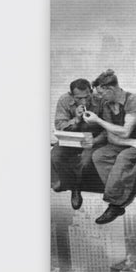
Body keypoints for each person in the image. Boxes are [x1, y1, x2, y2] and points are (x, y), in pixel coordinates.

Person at [82, 70, 136, 225]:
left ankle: (115, 204)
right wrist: (130, 143)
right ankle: (129, 191)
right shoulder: (107, 105)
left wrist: (98, 120)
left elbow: (125, 131)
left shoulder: (134, 100)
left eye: (100, 93)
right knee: (99, 155)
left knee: (124, 158)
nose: (98, 97)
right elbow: (111, 136)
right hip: (129, 143)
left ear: (110, 89)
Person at [51, 78, 97, 211]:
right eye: (79, 98)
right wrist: (76, 119)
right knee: (55, 156)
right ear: (71, 95)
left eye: (87, 97)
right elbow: (59, 126)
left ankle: (75, 188)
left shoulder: (99, 99)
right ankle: (69, 184)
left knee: (85, 161)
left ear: (91, 92)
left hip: (92, 140)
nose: (83, 101)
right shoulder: (64, 100)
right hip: (70, 139)